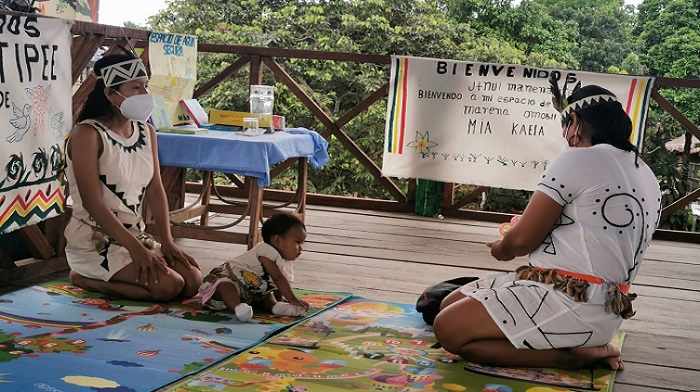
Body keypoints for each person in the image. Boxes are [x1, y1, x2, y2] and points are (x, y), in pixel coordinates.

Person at [432, 79, 662, 371]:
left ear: (575, 121)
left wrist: (501, 248)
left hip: (571, 302)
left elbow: (522, 242)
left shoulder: (577, 159)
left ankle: (575, 355)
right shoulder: (647, 174)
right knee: (449, 303)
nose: (566, 138)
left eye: (565, 127)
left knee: (448, 329)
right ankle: (577, 342)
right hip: (601, 307)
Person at [64, 53, 202, 302]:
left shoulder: (146, 131)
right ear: (109, 93)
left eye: (145, 86)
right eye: (135, 87)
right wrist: (135, 250)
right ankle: (83, 278)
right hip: (94, 241)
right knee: (168, 287)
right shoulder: (88, 134)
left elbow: (155, 188)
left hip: (136, 236)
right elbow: (93, 203)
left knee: (192, 281)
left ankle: (130, 266)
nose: (144, 94)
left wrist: (167, 241)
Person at [199, 212, 310, 322]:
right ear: (277, 240)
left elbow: (276, 283)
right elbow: (278, 278)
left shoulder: (283, 261)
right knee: (226, 286)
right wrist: (293, 299)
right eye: (298, 242)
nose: (301, 248)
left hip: (251, 294)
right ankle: (238, 308)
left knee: (267, 295)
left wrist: (280, 298)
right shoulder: (266, 251)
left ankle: (277, 307)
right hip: (232, 282)